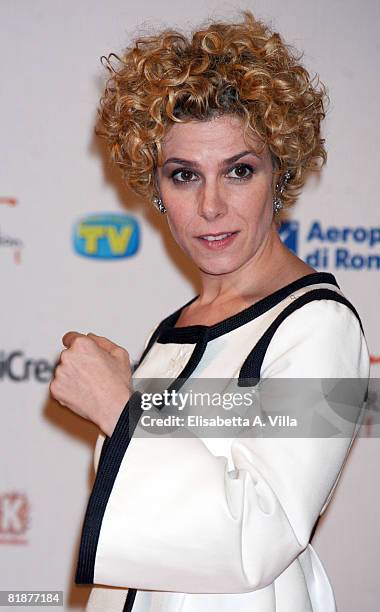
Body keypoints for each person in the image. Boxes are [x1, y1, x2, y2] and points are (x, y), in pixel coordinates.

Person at [49, 9, 370, 612]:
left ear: (281, 173)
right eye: (184, 175)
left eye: (239, 171)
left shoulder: (320, 326)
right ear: (156, 191)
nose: (211, 206)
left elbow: (259, 537)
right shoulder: (173, 331)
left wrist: (120, 406)